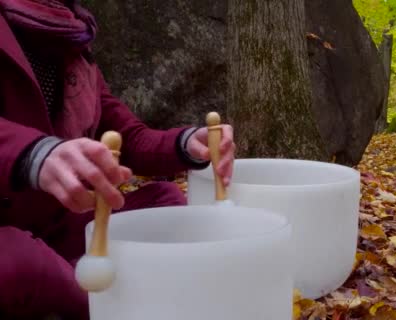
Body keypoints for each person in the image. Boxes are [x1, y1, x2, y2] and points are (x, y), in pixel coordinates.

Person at [0, 0, 235, 319]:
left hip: (55, 227)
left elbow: (128, 137)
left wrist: (187, 144)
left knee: (164, 201)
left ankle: (83, 287)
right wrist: (37, 155)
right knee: (24, 264)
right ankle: (101, 298)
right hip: (10, 239)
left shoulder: (74, 43)